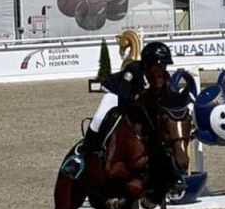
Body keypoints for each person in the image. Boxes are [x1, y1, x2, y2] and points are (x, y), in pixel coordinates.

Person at [68, 41, 174, 177]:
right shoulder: (133, 70)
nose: (162, 69)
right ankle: (82, 155)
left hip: (133, 100)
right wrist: (139, 97)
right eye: (159, 65)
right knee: (99, 118)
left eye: (164, 65)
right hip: (115, 92)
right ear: (148, 64)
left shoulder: (164, 77)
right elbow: (123, 94)